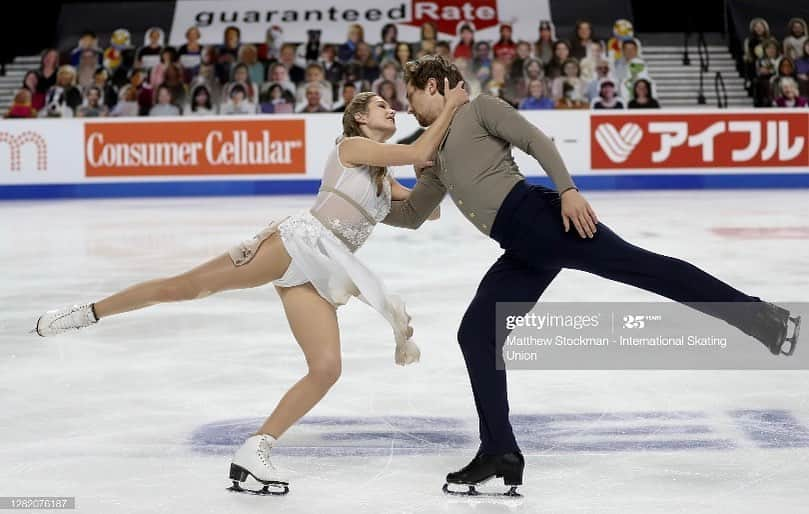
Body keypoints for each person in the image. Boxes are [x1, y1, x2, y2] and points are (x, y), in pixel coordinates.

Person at [386, 55, 799, 496]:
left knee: (648, 269)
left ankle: (762, 319)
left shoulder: (480, 108)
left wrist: (568, 191)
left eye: (410, 96)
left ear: (433, 86)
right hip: (523, 245)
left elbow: (536, 141)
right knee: (476, 333)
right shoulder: (432, 152)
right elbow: (412, 214)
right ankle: (499, 450)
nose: (408, 108)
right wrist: (365, 203)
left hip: (543, 221)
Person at [34, 80, 469, 496]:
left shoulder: (381, 179)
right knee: (187, 287)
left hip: (320, 272)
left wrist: (432, 174)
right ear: (357, 118)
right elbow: (417, 148)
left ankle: (255, 450)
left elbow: (421, 213)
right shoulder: (352, 148)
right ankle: (87, 312)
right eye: (381, 106)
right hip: (296, 243)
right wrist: (451, 107)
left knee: (326, 368)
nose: (391, 109)